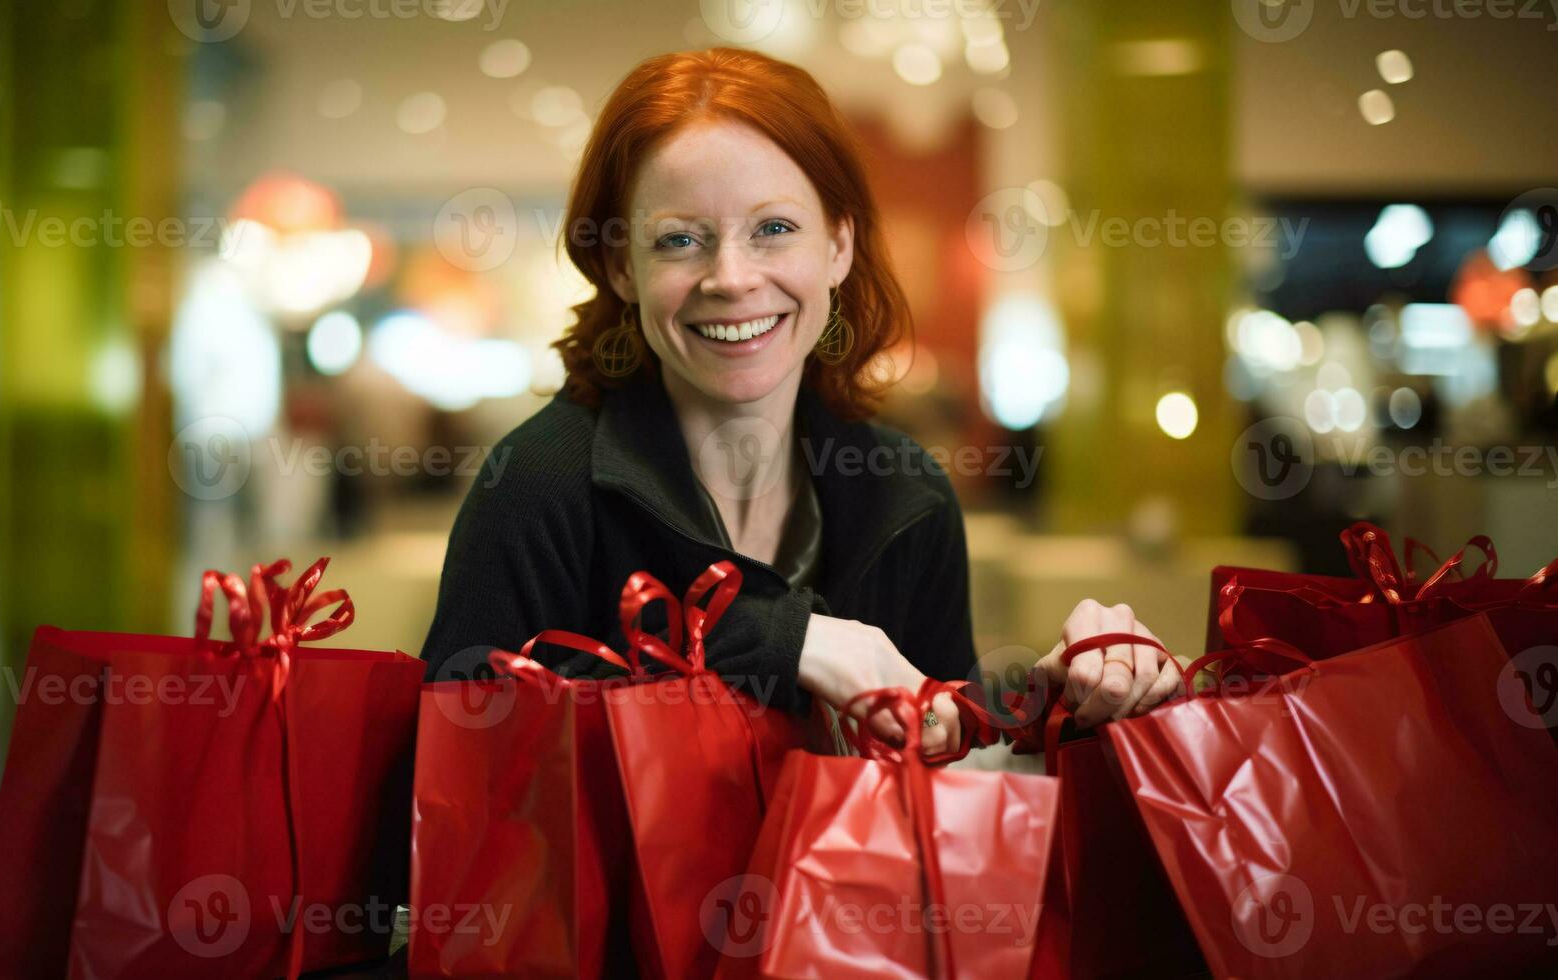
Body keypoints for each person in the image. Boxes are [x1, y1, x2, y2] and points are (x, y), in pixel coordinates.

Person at [420, 47, 1180, 753]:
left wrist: (1065, 707)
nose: (731, 277)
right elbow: (450, 749)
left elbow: (950, 775)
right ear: (621, 268)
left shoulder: (904, 492)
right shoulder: (540, 479)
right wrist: (783, 643)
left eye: (774, 229)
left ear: (838, 246)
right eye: (679, 239)